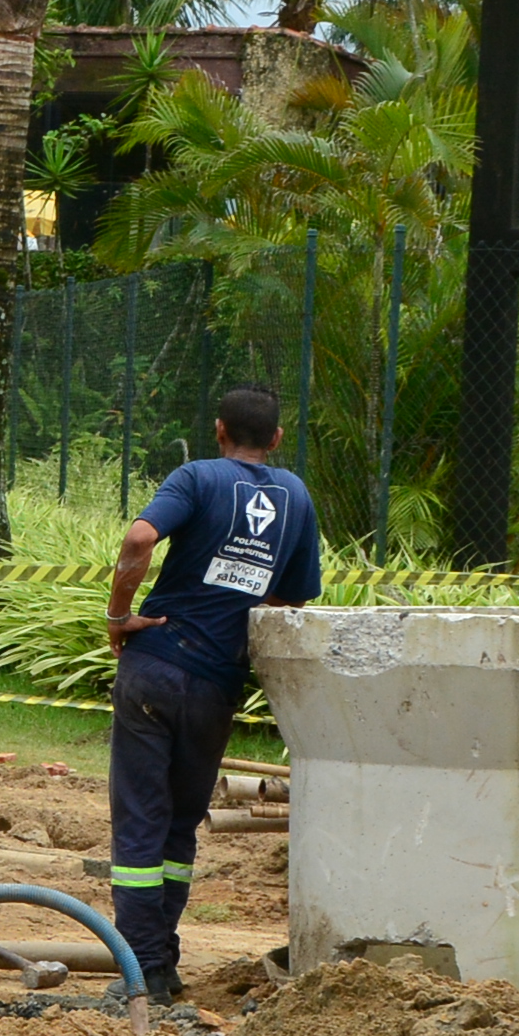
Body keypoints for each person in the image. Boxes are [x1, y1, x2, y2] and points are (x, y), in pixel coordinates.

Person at [103, 382, 319, 1000]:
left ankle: (141, 974)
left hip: (156, 667)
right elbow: (295, 595)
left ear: (220, 431)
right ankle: (161, 963)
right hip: (217, 685)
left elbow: (141, 538)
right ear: (275, 439)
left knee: (141, 825)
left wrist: (119, 615)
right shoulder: (296, 496)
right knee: (177, 828)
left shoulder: (197, 477)